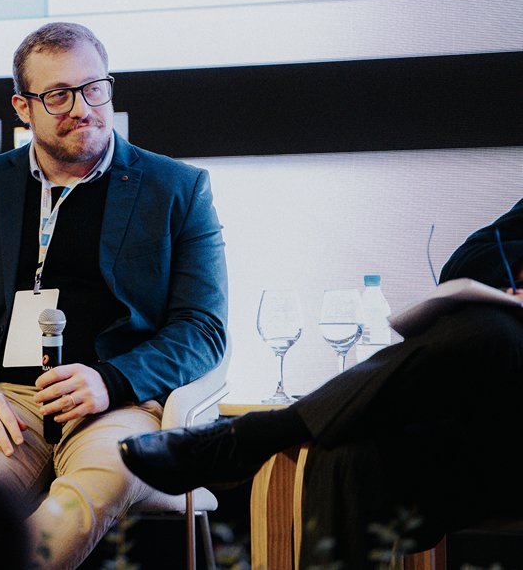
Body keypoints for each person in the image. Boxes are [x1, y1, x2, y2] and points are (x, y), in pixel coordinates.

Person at [0, 22, 228, 569]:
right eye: (58, 95)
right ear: (23, 107)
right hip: (4, 400)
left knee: (88, 491)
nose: (82, 109)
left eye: (93, 89)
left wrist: (111, 380)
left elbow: (203, 327)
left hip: (119, 404)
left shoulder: (176, 188)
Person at [120, 199, 523, 566]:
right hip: (483, 442)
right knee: (344, 445)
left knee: (492, 332)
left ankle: (257, 435)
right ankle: (264, 434)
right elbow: (462, 268)